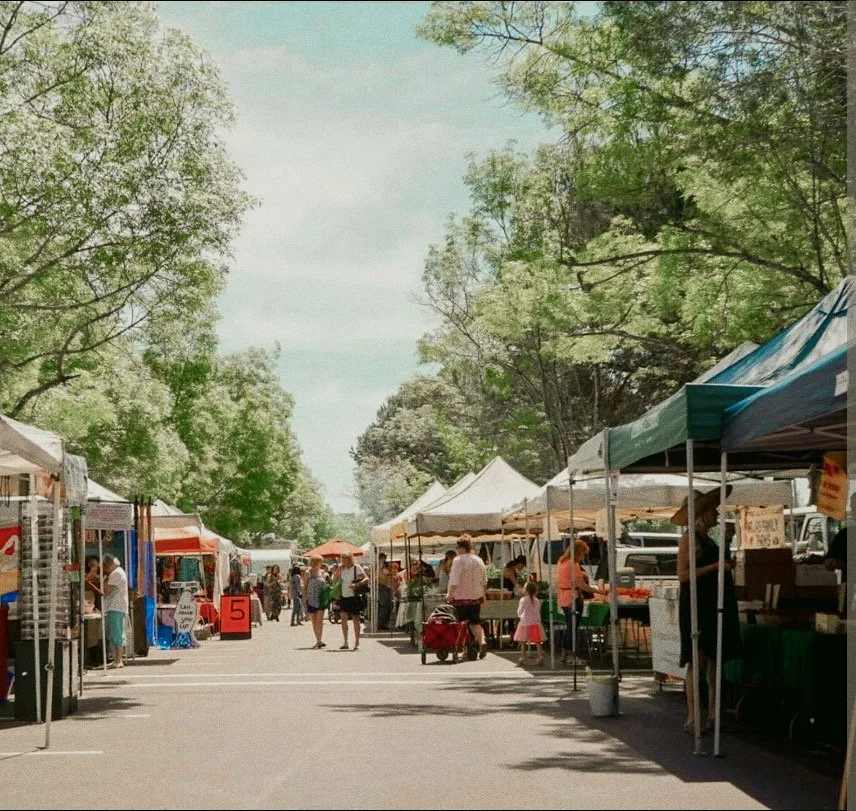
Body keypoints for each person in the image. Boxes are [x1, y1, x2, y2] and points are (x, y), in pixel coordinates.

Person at [674, 487, 742, 735]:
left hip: (714, 603)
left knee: (715, 660)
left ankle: (713, 712)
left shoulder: (709, 539)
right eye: (712, 509)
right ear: (703, 513)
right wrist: (716, 566)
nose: (716, 513)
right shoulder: (689, 539)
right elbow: (682, 575)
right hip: (697, 604)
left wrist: (726, 545)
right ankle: (694, 716)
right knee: (697, 660)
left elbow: (719, 565)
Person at [556, 540, 608, 665]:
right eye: (584, 554)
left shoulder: (561, 561)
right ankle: (573, 656)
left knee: (569, 627)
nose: (584, 557)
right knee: (573, 629)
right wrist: (600, 592)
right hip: (573, 597)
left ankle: (564, 655)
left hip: (563, 597)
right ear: (579, 552)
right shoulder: (574, 565)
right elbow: (582, 585)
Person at [445, 534, 489, 659]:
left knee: (462, 624)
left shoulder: (458, 560)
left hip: (460, 599)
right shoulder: (478, 560)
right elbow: (484, 581)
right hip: (476, 597)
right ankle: (482, 642)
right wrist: (484, 595)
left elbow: (454, 580)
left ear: (460, 547)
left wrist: (450, 594)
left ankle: (466, 650)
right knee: (475, 622)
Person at [333, 552, 368, 650]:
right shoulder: (341, 569)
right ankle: (345, 642)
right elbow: (335, 581)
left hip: (354, 596)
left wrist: (356, 585)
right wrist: (338, 572)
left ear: (350, 559)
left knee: (355, 619)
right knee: (343, 618)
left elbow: (366, 578)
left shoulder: (357, 568)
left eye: (345, 558)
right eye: (342, 558)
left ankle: (357, 642)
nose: (343, 560)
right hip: (344, 596)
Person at [102, 554, 129, 669]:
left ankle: (118, 659)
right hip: (118, 606)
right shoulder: (119, 572)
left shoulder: (115, 574)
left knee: (116, 633)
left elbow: (106, 590)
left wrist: (103, 580)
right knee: (117, 632)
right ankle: (118, 658)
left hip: (115, 606)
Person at [514, 580, 545, 666]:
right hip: (535, 622)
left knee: (523, 641)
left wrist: (520, 616)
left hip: (524, 622)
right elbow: (538, 612)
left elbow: (519, 611)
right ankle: (540, 656)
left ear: (525, 590)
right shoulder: (537, 600)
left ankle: (522, 657)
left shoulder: (523, 600)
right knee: (537, 641)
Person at [305, 556, 328, 649]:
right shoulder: (308, 572)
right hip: (311, 598)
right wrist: (304, 597)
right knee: (314, 621)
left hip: (321, 598)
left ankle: (319, 640)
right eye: (320, 561)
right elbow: (305, 585)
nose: (321, 563)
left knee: (320, 620)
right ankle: (318, 640)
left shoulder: (322, 572)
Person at [377, 553, 393, 630]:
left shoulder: (382, 565)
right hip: (382, 587)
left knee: (387, 606)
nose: (384, 560)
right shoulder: (379, 565)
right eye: (383, 558)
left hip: (385, 587)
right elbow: (380, 576)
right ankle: (381, 623)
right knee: (384, 606)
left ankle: (383, 623)